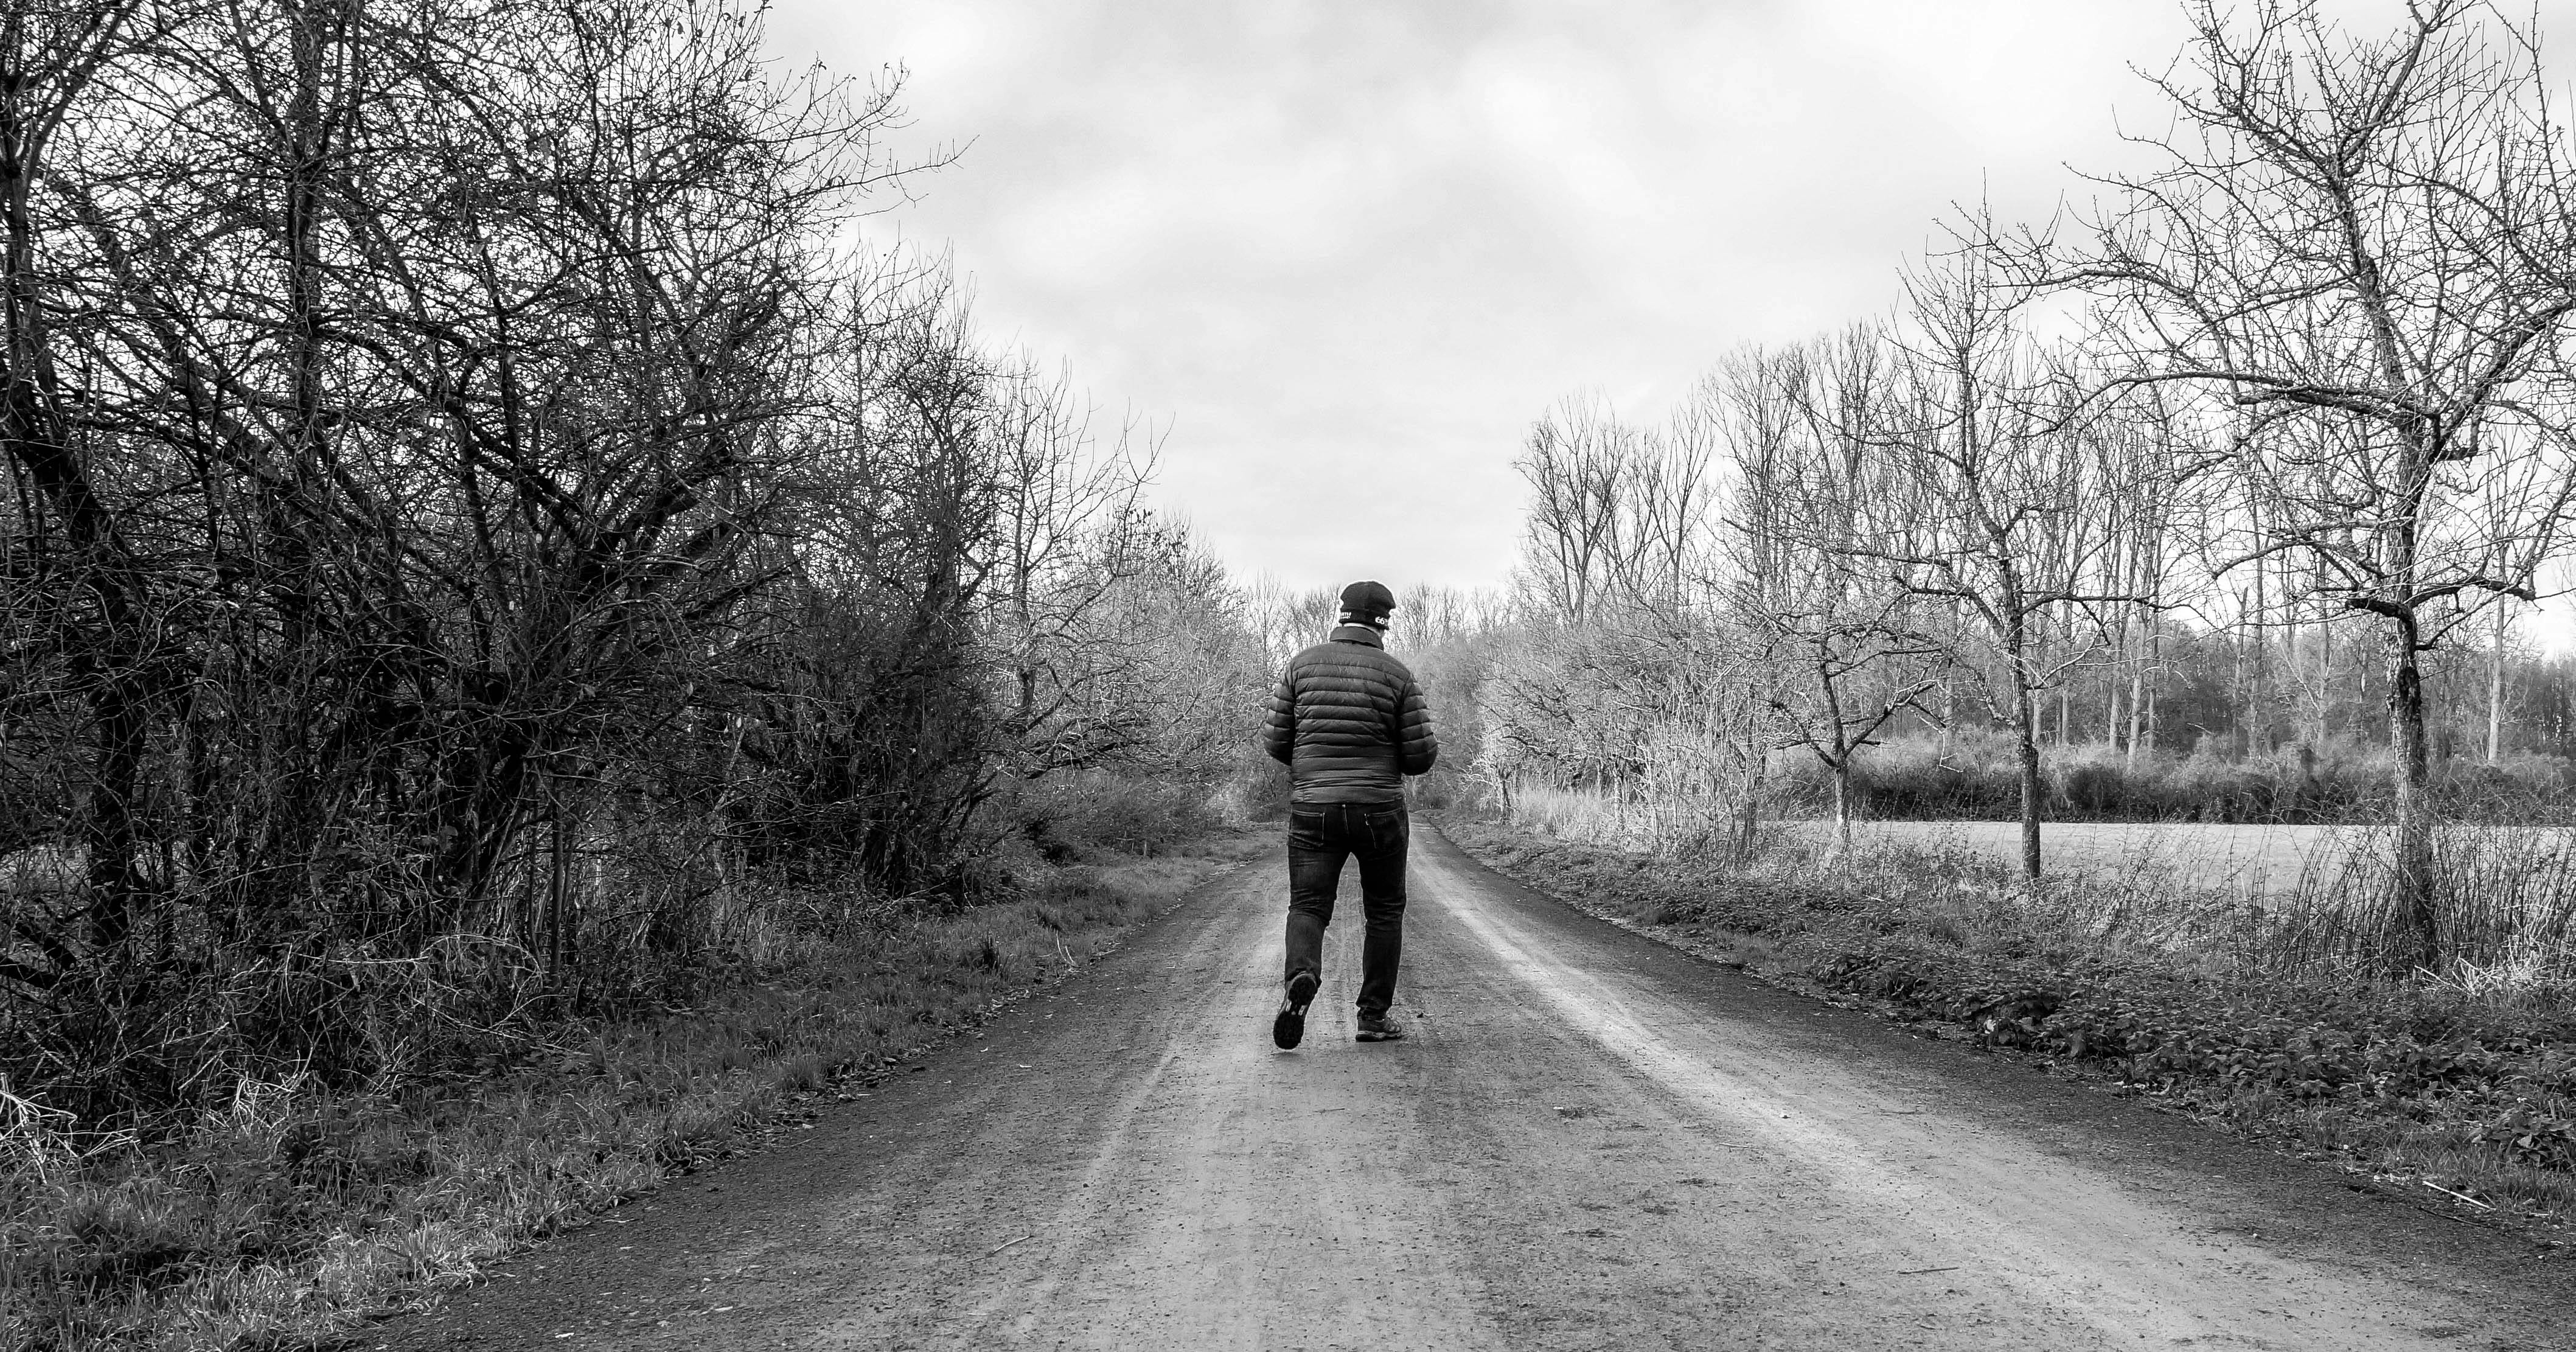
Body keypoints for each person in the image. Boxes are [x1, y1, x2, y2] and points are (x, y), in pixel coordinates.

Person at [1260, 579, 1437, 1048]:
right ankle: (1372, 1018)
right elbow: (1420, 757)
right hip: (1379, 808)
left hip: (1314, 807)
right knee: (1383, 911)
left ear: (1341, 617)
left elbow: (1277, 742)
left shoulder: (1300, 666)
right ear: (1383, 622)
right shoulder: (1397, 676)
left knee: (1309, 905)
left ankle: (1302, 976)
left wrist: (1314, 769)